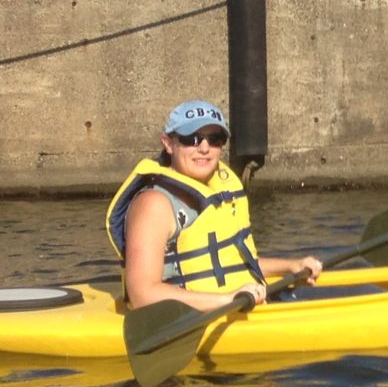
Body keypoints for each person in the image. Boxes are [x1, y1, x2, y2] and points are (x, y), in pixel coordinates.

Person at [106, 100, 321, 311]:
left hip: (237, 306)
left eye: (215, 139)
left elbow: (231, 265)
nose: (204, 148)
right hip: (185, 322)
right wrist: (228, 300)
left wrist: (292, 266)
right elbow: (143, 295)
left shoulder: (218, 191)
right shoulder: (153, 205)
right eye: (192, 138)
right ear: (168, 143)